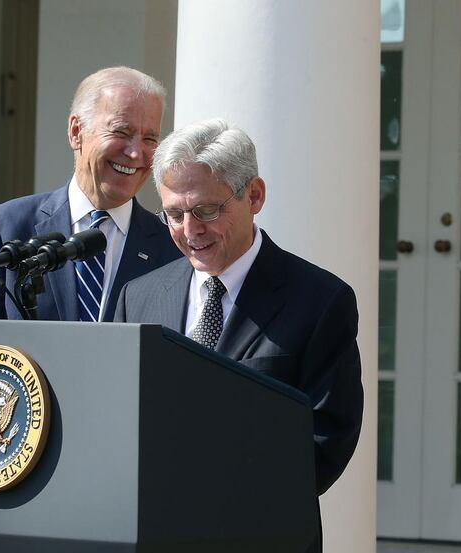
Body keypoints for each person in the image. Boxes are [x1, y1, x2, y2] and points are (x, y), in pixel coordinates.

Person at [114, 118, 364, 539]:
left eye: (206, 210)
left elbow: (325, 441)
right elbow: (117, 422)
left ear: (255, 196)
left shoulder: (320, 300)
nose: (190, 230)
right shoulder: (138, 296)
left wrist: (211, 509)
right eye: (173, 214)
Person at [0, 66, 182, 321]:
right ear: (76, 132)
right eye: (121, 132)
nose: (135, 153)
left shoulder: (173, 245)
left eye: (150, 139)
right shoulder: (7, 226)